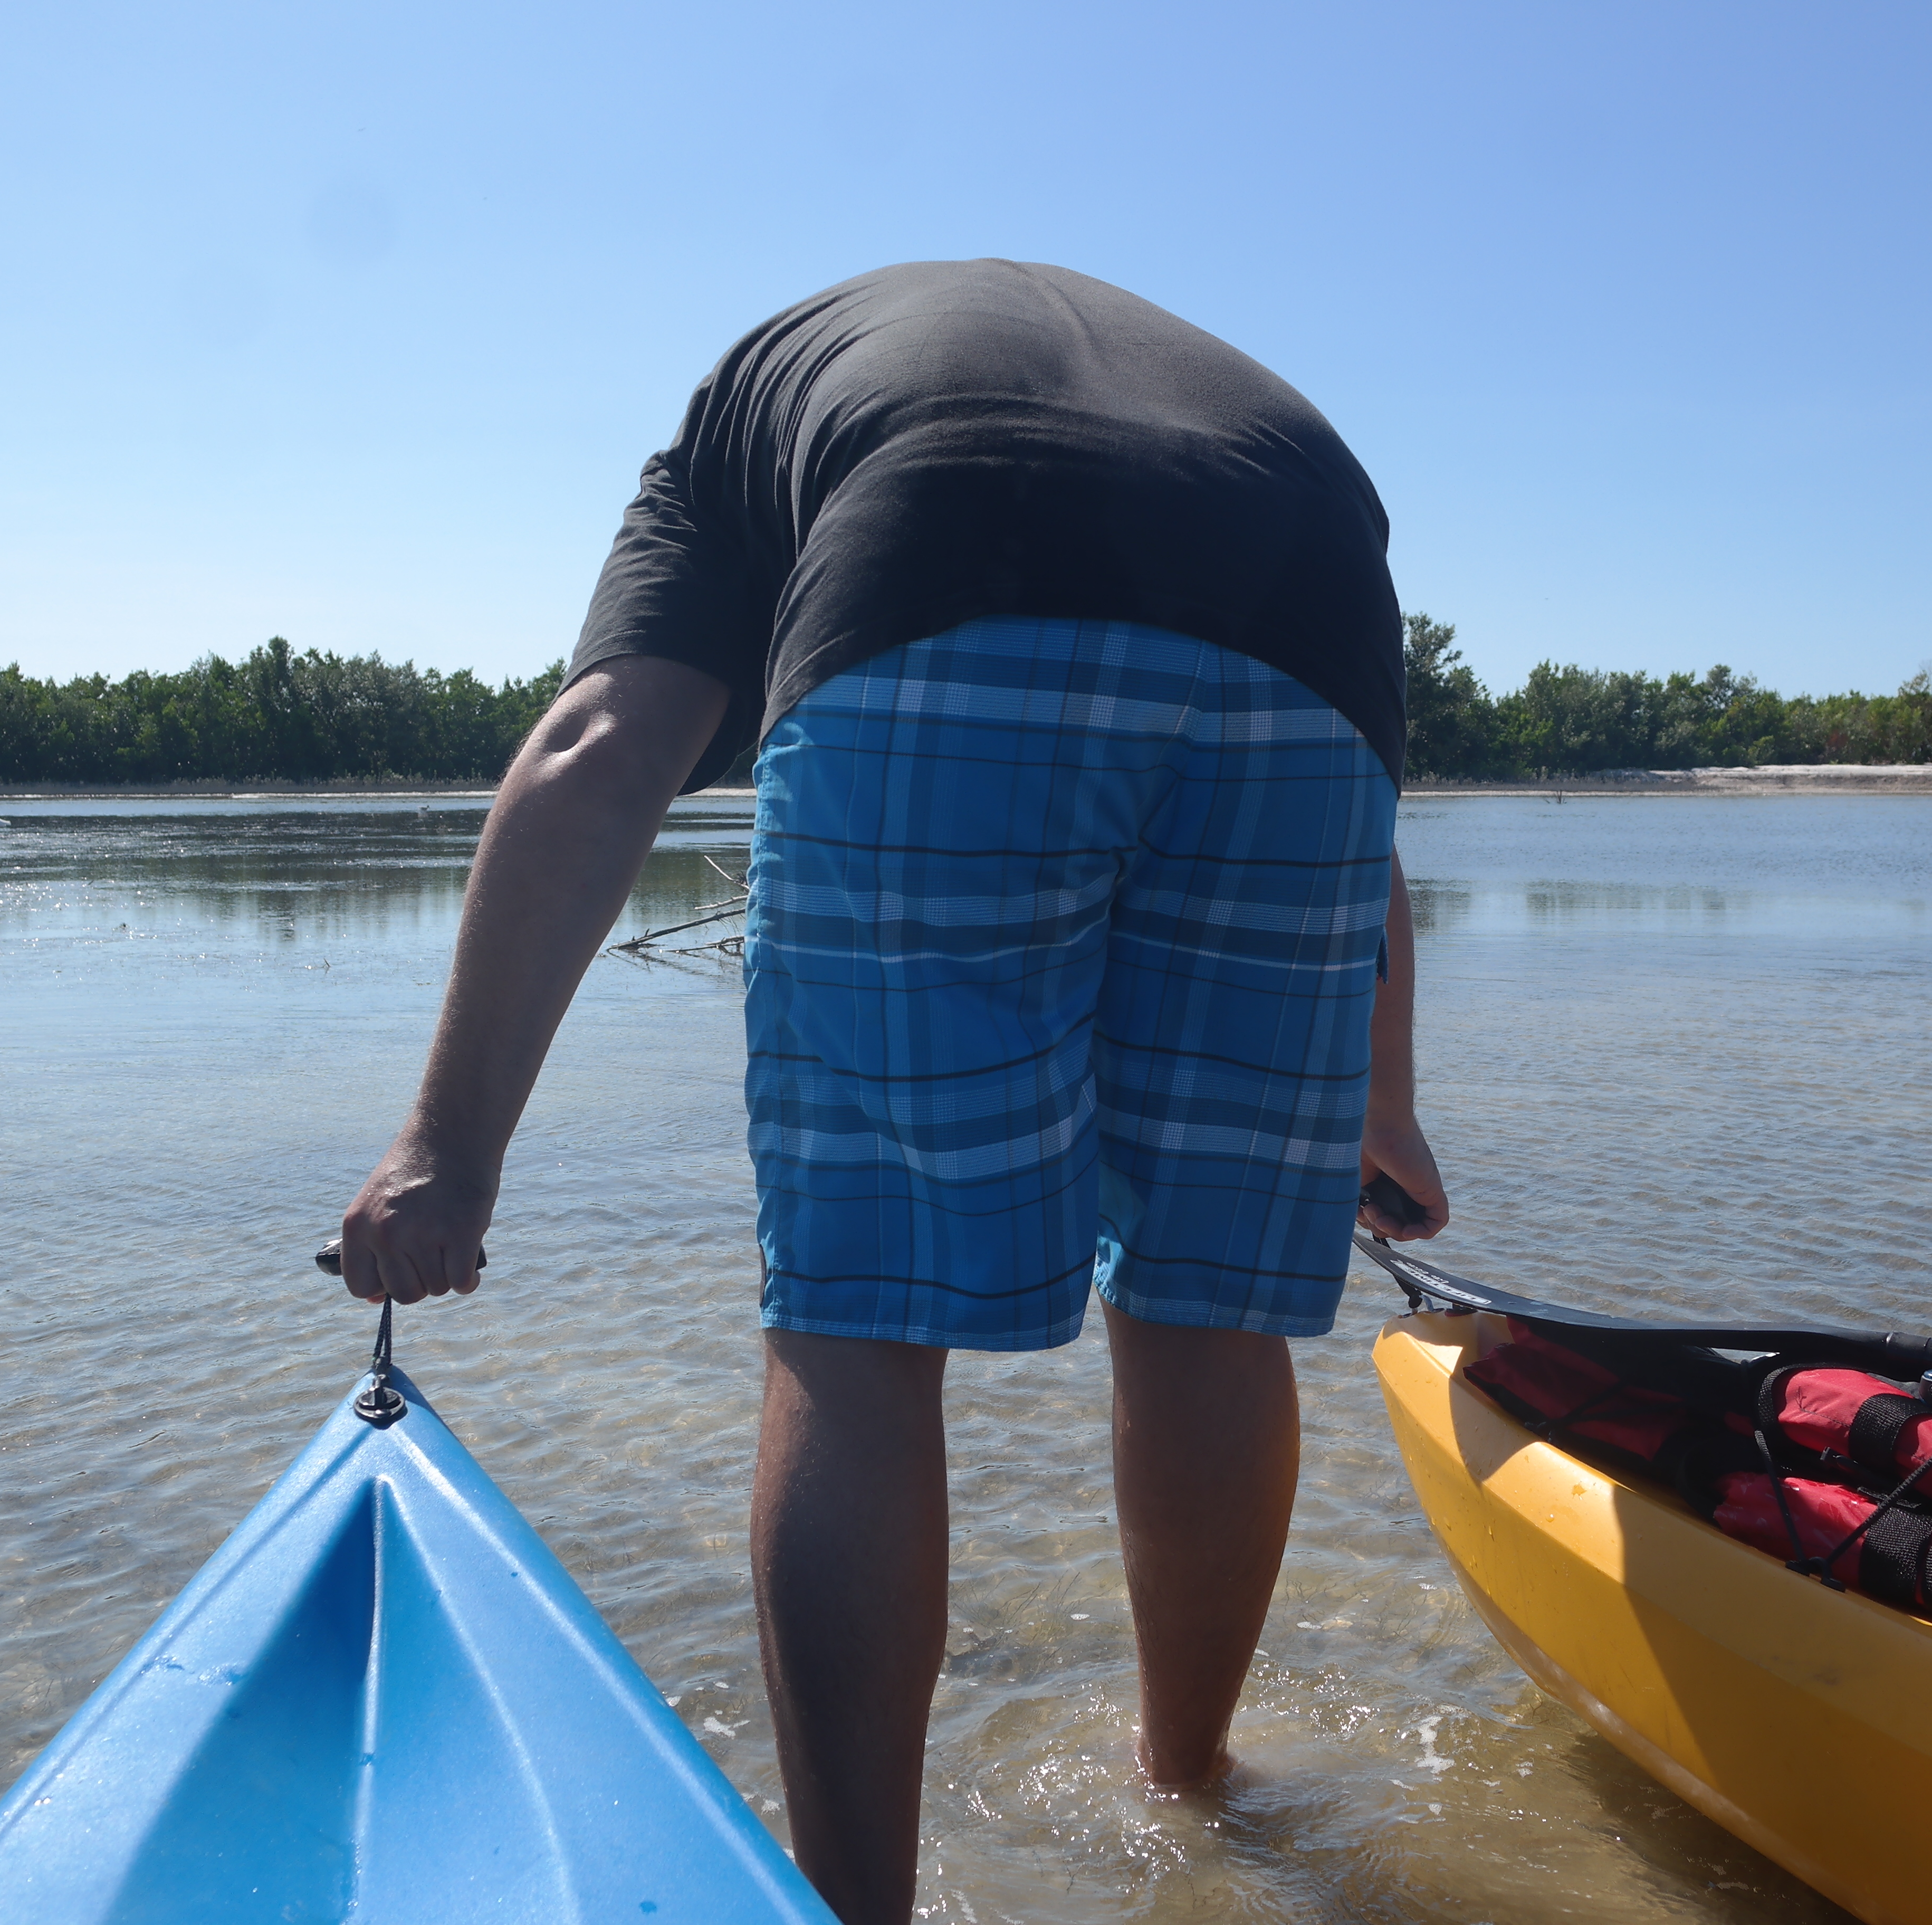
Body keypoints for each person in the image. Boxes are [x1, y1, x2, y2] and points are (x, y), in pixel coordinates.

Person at [337, 259, 1449, 1924]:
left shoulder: (728, 434)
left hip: (950, 567)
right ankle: (1193, 1799)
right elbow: (1370, 844)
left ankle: (856, 1910)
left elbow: (602, 747)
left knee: (857, 1332)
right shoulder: (1144, 381)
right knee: (1209, 1311)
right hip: (1312, 605)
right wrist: (1389, 1100)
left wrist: (448, 1151)